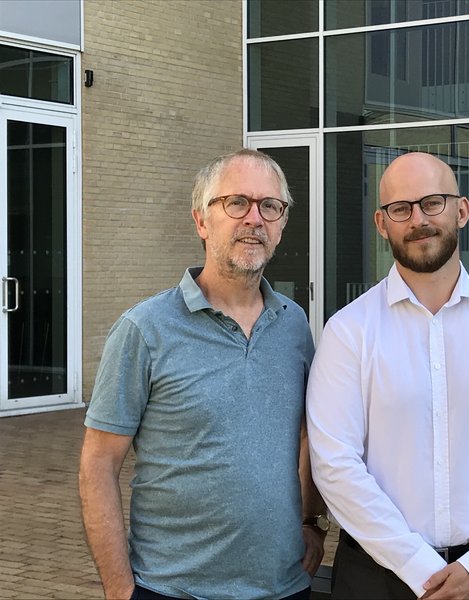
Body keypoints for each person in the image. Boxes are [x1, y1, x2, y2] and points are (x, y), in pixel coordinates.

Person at [306, 151, 469, 600]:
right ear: (381, 224)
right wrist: (420, 567)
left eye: (432, 203)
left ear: (461, 210)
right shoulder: (348, 333)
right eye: (400, 209)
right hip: (376, 578)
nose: (418, 219)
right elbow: (336, 466)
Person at [79, 149, 327, 600]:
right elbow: (99, 463)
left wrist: (311, 521)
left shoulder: (293, 325)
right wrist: (119, 589)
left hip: (284, 588)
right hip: (171, 589)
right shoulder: (145, 330)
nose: (255, 219)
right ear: (200, 221)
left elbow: (309, 435)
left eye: (270, 206)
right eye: (237, 203)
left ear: (282, 224)